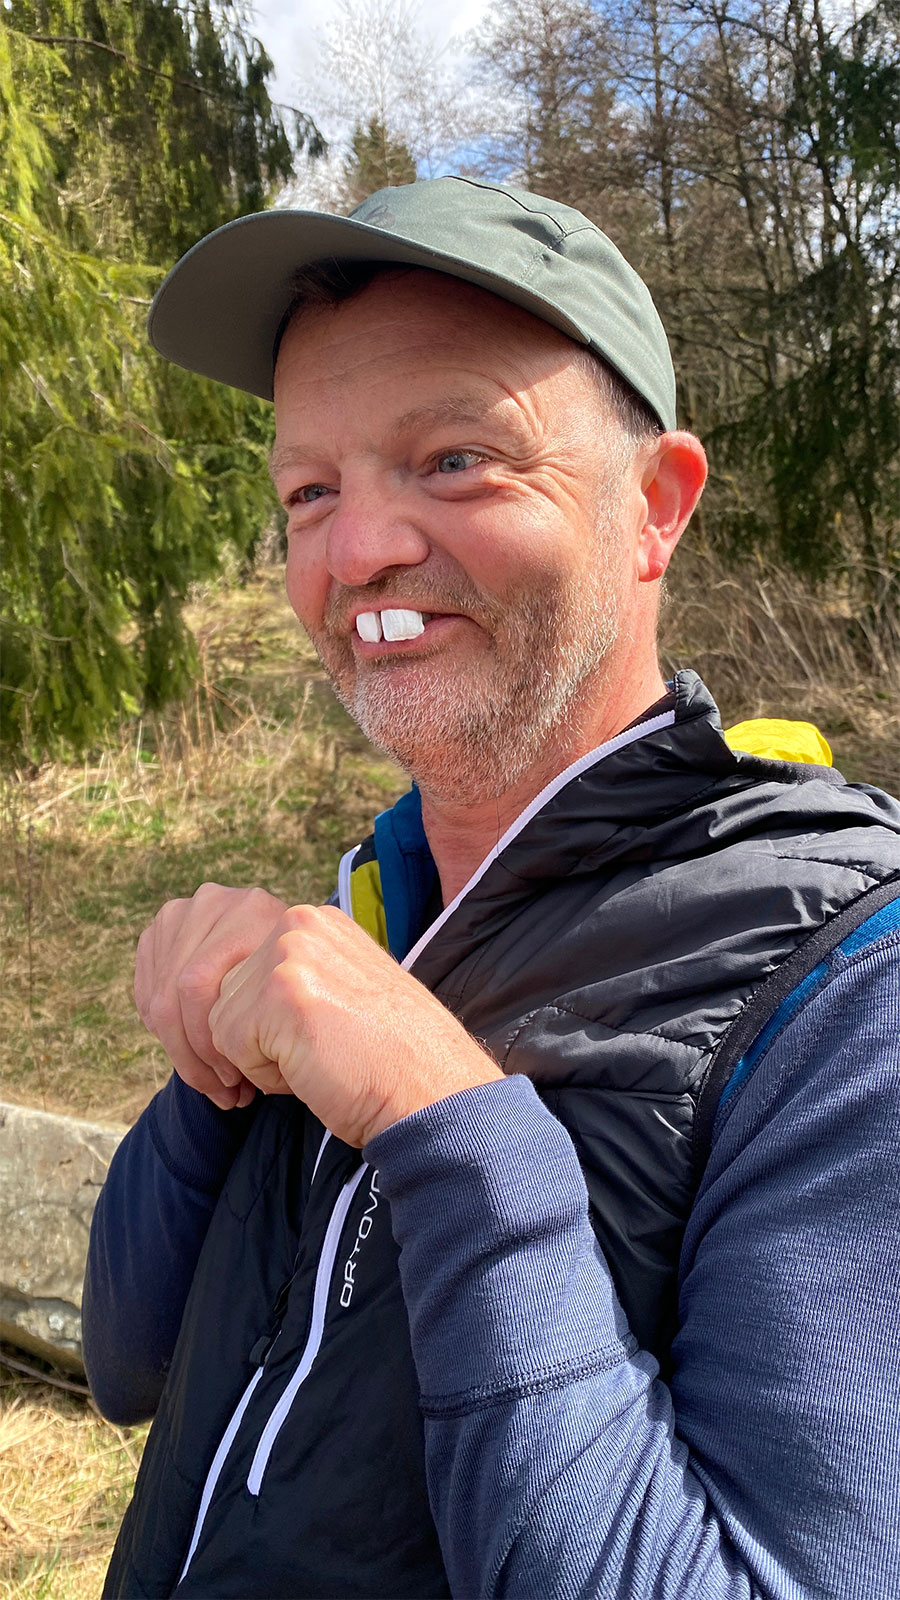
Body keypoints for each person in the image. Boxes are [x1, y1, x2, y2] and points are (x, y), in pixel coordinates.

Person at [83, 177, 900, 1600]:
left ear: (655, 507)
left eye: (456, 458)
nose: (357, 551)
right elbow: (127, 1361)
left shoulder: (848, 977)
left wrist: (447, 1122)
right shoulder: (368, 914)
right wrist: (200, 1082)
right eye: (309, 492)